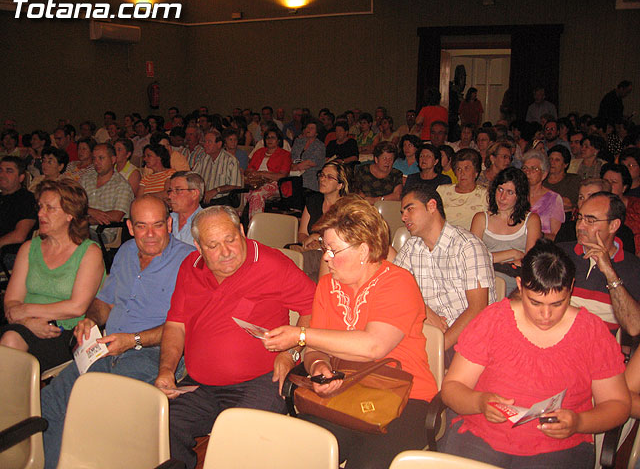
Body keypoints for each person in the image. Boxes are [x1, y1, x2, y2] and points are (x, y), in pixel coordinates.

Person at [263, 195, 438, 469]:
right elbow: (314, 350)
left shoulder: (398, 282)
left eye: (334, 250)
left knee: (367, 463)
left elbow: (374, 346)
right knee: (295, 451)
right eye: (324, 247)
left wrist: (301, 334)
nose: (326, 257)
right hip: (345, 389)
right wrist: (319, 366)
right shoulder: (327, 286)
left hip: (403, 395)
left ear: (364, 251)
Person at [441, 238, 630, 468]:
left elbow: (617, 404)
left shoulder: (591, 331)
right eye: (536, 303)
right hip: (482, 436)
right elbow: (452, 388)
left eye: (558, 303)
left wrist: (579, 422)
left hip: (558, 446)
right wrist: (479, 402)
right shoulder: (494, 320)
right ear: (519, 286)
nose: (546, 315)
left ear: (570, 287)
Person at [155, 206, 315, 469]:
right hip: (200, 384)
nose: (226, 252)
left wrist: (292, 353)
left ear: (242, 231)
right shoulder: (189, 268)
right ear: (198, 246)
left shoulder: (271, 264)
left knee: (240, 444)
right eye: (213, 245)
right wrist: (166, 370)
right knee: (162, 424)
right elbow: (175, 325)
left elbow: (315, 308)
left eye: (230, 239)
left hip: (262, 380)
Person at [40, 195, 194, 468]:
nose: (150, 234)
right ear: (130, 227)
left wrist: (131, 340)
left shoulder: (189, 261)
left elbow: (184, 326)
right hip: (107, 347)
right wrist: (90, 319)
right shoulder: (124, 252)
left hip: (152, 353)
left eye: (157, 225)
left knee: (93, 406)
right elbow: (105, 302)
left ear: (169, 224)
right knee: (50, 401)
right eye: (142, 226)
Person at [1, 179, 104, 372]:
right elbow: (12, 302)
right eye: (40, 206)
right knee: (11, 340)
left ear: (70, 215)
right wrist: (27, 322)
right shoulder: (29, 249)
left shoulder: (89, 252)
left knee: (10, 342)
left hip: (65, 332)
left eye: (50, 208)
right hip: (24, 326)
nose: (40, 214)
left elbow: (76, 307)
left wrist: (27, 310)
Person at [396, 184, 495, 358]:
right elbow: (393, 287)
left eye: (409, 209)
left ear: (431, 206)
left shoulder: (467, 246)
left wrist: (438, 349)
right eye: (402, 213)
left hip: (469, 338)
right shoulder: (412, 247)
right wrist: (424, 310)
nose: (404, 217)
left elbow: (478, 309)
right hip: (429, 335)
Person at [557, 192, 640, 335]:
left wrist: (610, 273)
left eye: (590, 221)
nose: (580, 226)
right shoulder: (559, 254)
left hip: (599, 348)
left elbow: (634, 328)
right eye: (580, 218)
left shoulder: (632, 267)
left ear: (613, 225)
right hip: (557, 338)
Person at [471, 167, 542, 295]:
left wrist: (492, 258)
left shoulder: (531, 220)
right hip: (485, 276)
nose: (502, 197)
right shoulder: (481, 218)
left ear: (519, 196)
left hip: (516, 279)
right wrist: (514, 253)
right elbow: (473, 259)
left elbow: (530, 261)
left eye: (510, 192)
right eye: (500, 190)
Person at [289, 161, 349, 281]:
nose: (322, 179)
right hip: (309, 250)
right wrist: (308, 242)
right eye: (321, 175)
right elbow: (302, 233)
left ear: (340, 185)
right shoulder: (313, 200)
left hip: (333, 254)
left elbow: (346, 240)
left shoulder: (346, 207)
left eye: (329, 177)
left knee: (293, 264)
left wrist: (319, 239)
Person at [81, 143, 134, 243]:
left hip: (102, 234)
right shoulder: (86, 178)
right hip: (80, 229)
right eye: (94, 158)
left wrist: (85, 221)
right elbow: (73, 202)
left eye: (101, 158)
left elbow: (116, 215)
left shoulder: (121, 185)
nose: (96, 162)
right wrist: (90, 211)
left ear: (113, 160)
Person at [245, 126, 292, 220]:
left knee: (256, 194)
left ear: (278, 140)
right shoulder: (259, 152)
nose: (269, 140)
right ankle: (238, 223)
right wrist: (255, 174)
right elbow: (248, 170)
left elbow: (282, 175)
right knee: (242, 193)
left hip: (276, 184)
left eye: (273, 137)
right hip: (256, 182)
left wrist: (262, 174)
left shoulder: (285, 155)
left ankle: (255, 226)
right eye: (267, 137)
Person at [437, 148, 488, 231]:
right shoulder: (442, 190)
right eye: (458, 169)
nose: (462, 173)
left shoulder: (484, 194)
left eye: (467, 168)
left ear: (476, 172)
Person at [521, 151, 564, 240]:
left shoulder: (554, 199)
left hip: (541, 247)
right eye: (525, 168)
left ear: (544, 174)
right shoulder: (515, 195)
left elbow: (556, 236)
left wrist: (536, 233)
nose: (528, 172)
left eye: (534, 169)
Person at [0, 156, 37, 258]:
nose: (2, 175)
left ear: (21, 177)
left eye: (9, 171)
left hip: (11, 255)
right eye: (0, 170)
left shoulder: (26, 199)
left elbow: (19, 235)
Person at [192, 131, 243, 206]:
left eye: (209, 142)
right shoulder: (203, 158)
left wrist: (216, 190)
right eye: (205, 142)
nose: (205, 145)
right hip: (204, 198)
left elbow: (236, 185)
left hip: (223, 200)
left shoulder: (230, 160)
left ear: (219, 144)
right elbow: (193, 176)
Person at [601, 163, 640, 256]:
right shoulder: (595, 207)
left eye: (614, 182)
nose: (609, 185)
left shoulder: (637, 206)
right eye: (606, 181)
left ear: (624, 187)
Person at [167, 171, 204, 247]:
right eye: (170, 191)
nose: (170, 196)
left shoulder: (206, 222)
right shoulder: (166, 219)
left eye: (178, 190)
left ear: (194, 194)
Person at [290, 119, 326, 192]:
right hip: (293, 172)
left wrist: (297, 167)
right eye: (307, 127)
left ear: (316, 132)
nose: (308, 130)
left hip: (310, 175)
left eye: (311, 128)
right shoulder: (298, 141)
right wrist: (293, 166)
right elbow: (292, 156)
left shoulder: (320, 145)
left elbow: (312, 162)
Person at [544, 145, 581, 213]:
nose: (552, 162)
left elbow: (568, 204)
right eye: (550, 159)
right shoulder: (542, 181)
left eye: (557, 160)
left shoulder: (573, 180)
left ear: (565, 164)